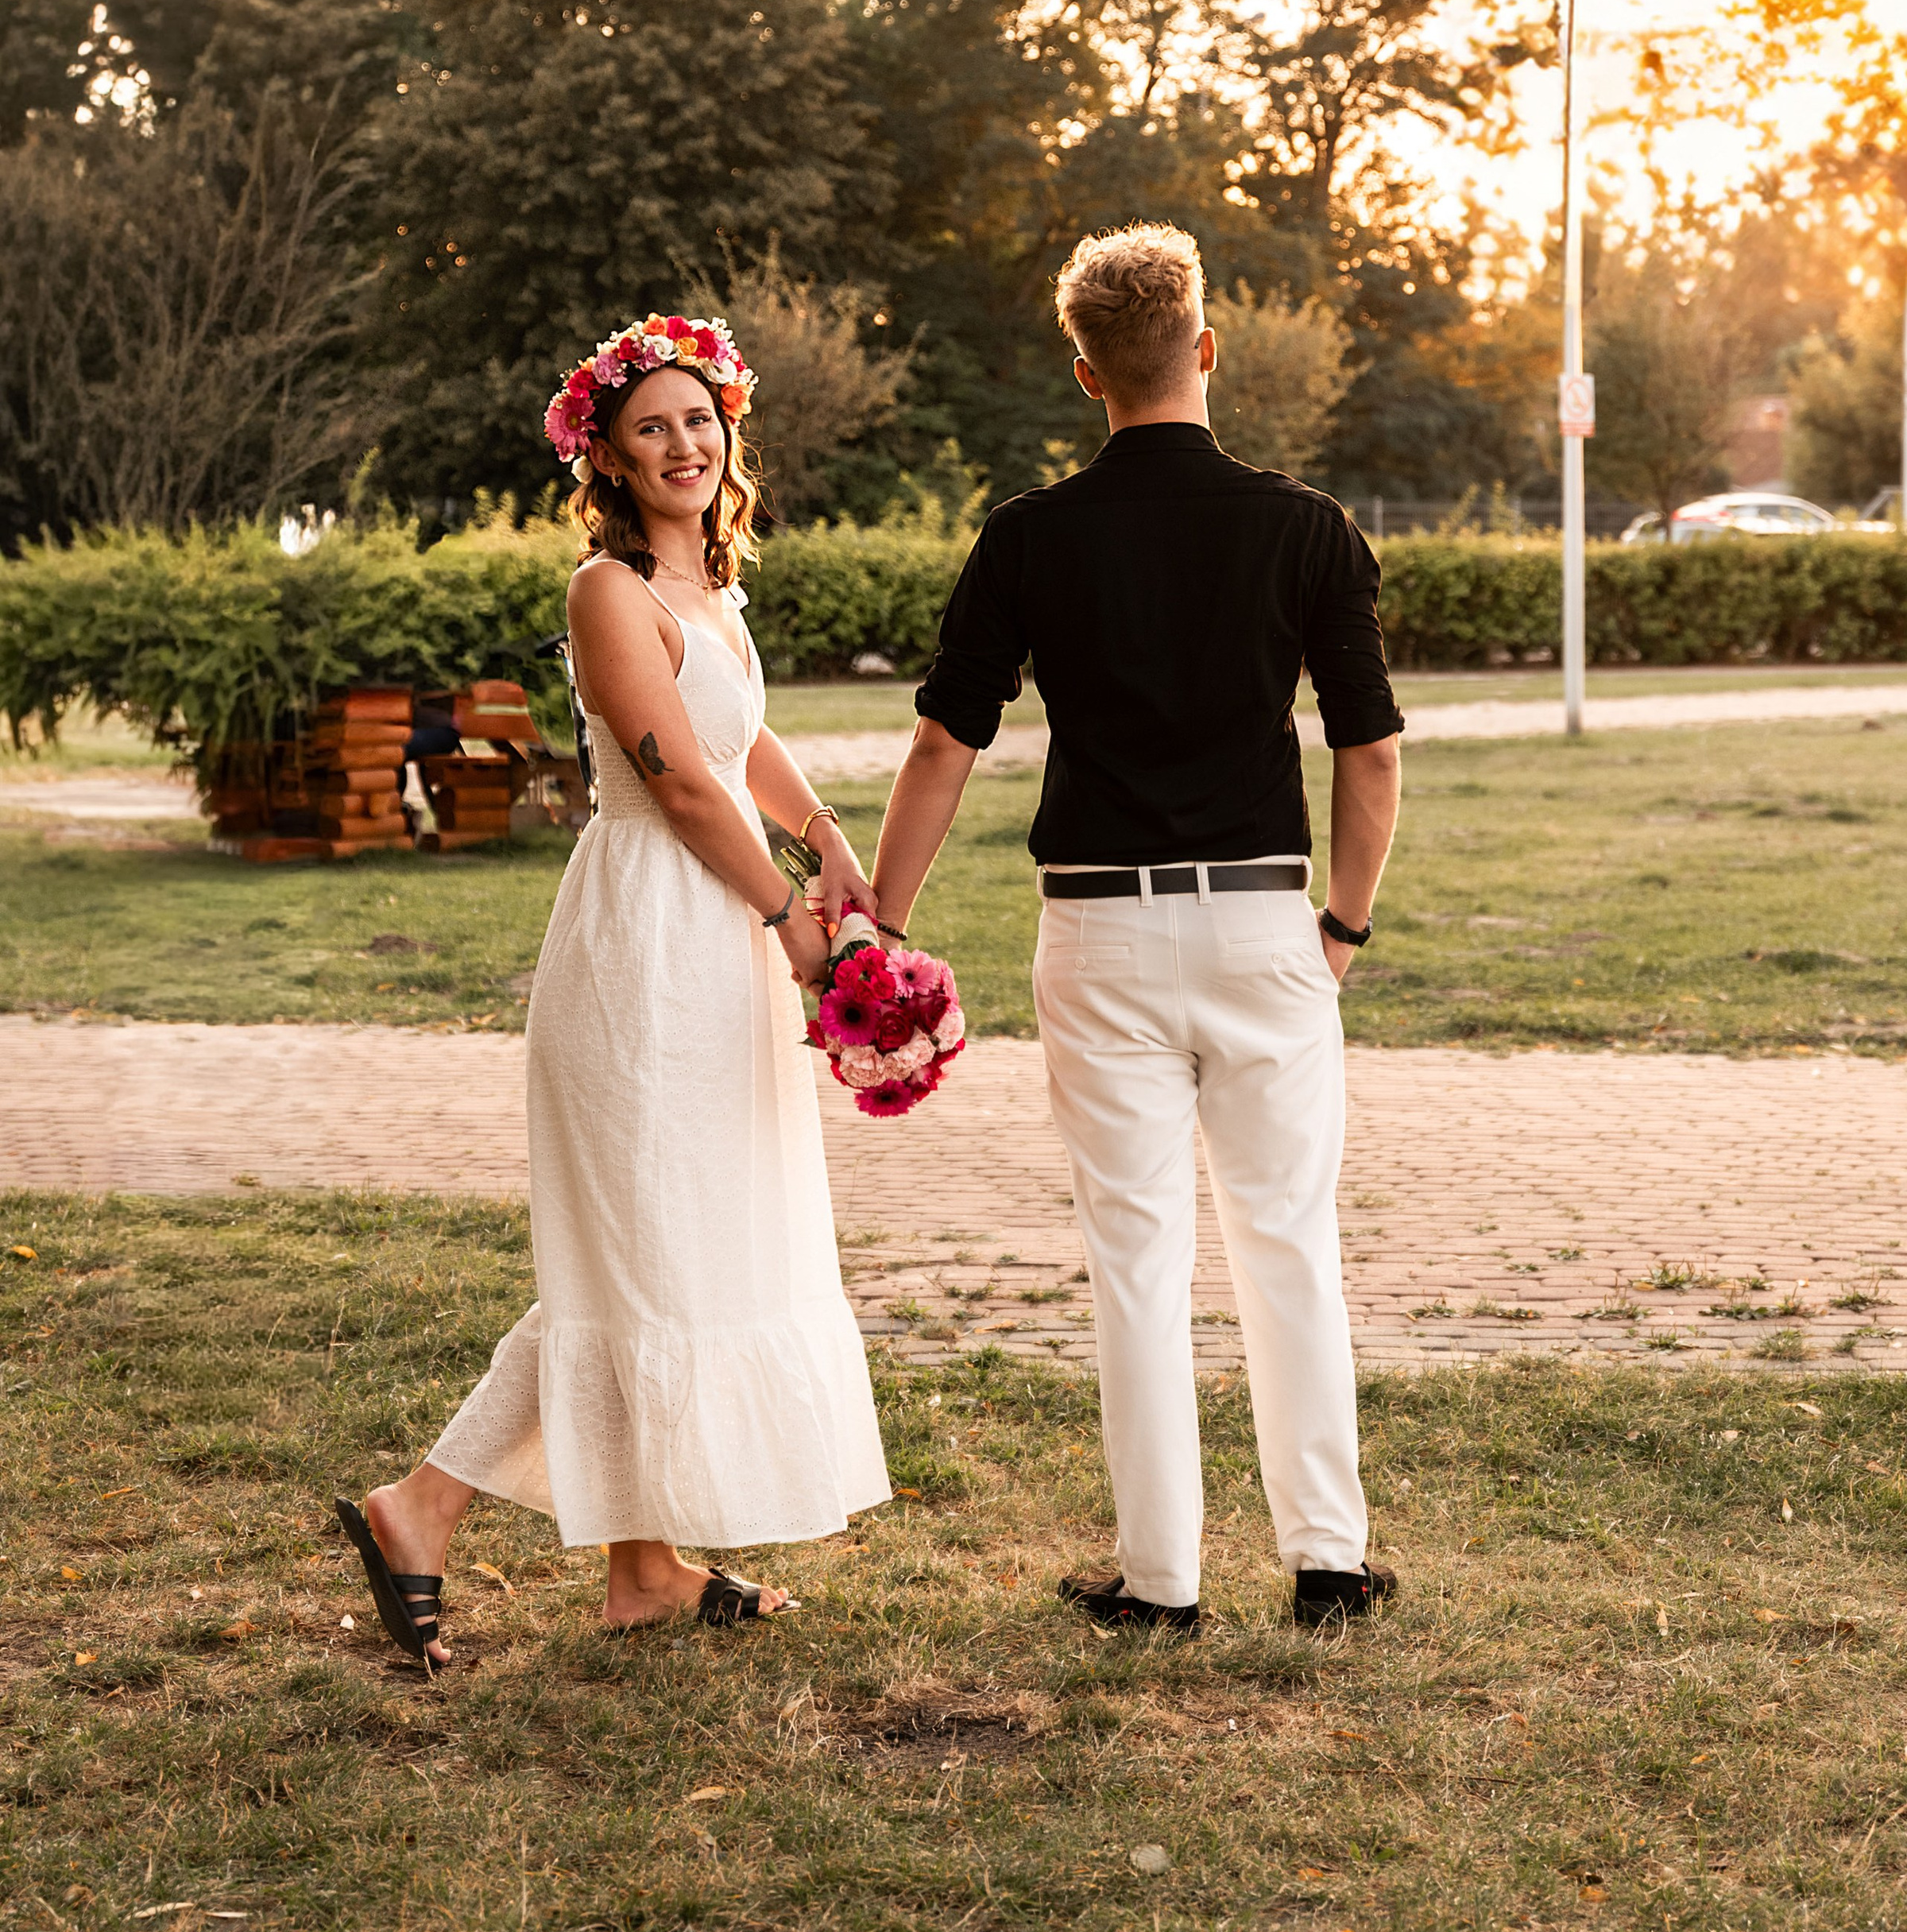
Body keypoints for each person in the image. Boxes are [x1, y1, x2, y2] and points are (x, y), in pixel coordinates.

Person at [866, 226, 1402, 1636]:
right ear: (1207, 349)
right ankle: (1329, 1565)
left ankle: (1160, 1584)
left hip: (1098, 934)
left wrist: (883, 927)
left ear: (1085, 370)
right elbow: (1372, 756)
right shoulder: (1308, 527)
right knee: (1289, 1239)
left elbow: (942, 748)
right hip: (1263, 923)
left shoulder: (1030, 537)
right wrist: (1340, 927)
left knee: (1137, 1256)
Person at [336, 314, 889, 1667]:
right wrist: (788, 919)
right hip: (647, 937)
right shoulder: (609, 591)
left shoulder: (712, 592)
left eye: (700, 420)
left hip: (721, 936)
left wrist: (831, 845)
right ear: (611, 455)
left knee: (678, 1248)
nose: (684, 444)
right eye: (653, 428)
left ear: (728, 433)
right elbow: (684, 783)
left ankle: (643, 1574)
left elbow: (742, 744)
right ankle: (419, 1507)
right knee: (635, 1258)